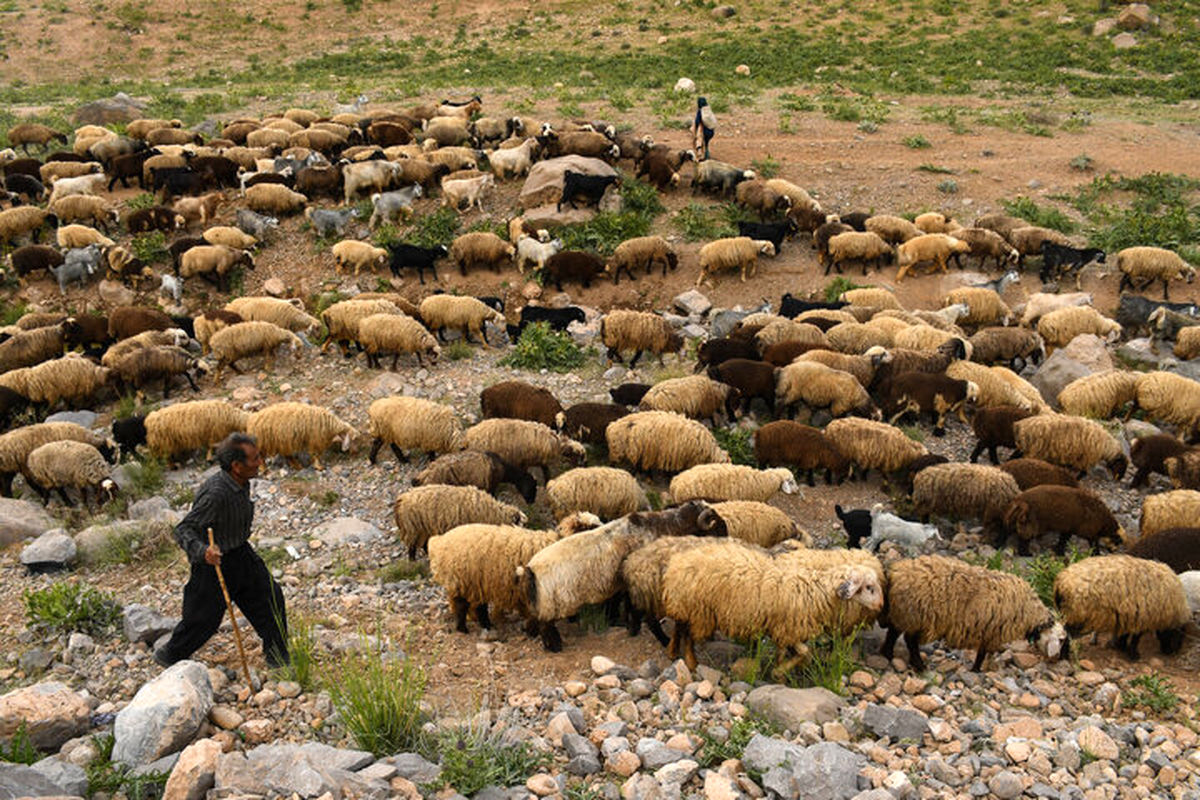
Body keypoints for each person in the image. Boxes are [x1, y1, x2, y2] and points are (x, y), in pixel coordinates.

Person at [155, 433, 289, 669]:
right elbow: (184, 529)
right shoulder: (216, 493)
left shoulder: (242, 481)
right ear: (236, 466)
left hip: (241, 554)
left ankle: (278, 658)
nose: (260, 462)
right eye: (255, 458)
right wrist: (203, 551)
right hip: (213, 564)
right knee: (202, 621)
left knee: (271, 599)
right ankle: (171, 655)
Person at [692, 96, 717, 161]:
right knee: (706, 143)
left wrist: (695, 130)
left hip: (704, 131)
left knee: (700, 143)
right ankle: (706, 154)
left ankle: (702, 157)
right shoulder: (708, 109)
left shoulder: (700, 112)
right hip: (711, 131)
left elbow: (697, 121)